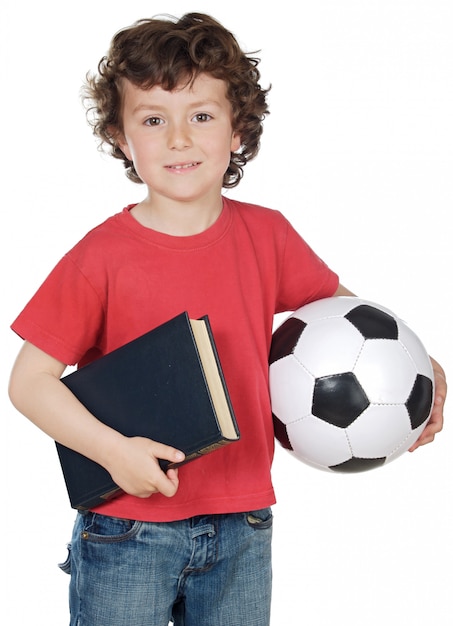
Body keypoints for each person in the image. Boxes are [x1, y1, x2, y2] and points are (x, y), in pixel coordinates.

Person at [8, 12, 446, 626]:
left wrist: (417, 371)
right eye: (154, 120)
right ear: (121, 135)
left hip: (244, 526)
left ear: (238, 129)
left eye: (202, 116)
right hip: (127, 528)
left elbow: (350, 321)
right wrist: (114, 452)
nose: (179, 139)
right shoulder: (99, 257)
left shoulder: (267, 235)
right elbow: (28, 383)